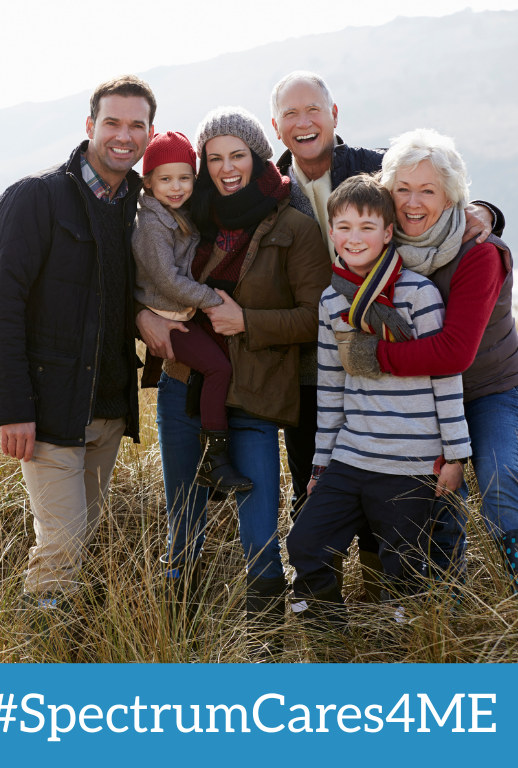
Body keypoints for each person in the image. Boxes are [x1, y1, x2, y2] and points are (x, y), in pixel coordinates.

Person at [270, 69, 502, 599]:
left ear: (334, 116)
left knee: (405, 534)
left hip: (403, 383)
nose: (304, 122)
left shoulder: (373, 171)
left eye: (314, 110)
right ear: (278, 126)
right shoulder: (273, 190)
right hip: (317, 353)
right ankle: (326, 621)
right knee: (318, 495)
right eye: (290, 114)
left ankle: (395, 606)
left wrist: (485, 211)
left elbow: (436, 185)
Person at [137, 106, 331, 657]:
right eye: (214, 158)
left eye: (237, 156)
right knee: (184, 518)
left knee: (260, 531)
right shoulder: (190, 214)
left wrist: (248, 322)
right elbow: (147, 271)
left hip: (256, 394)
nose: (226, 168)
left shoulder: (292, 225)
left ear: (258, 156)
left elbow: (316, 316)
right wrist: (140, 315)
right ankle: (180, 640)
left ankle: (265, 648)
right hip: (183, 385)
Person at [0, 75, 155, 616]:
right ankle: (36, 658)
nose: (124, 135)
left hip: (107, 415)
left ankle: (62, 647)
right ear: (91, 126)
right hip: (49, 414)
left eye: (136, 125)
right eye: (113, 123)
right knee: (61, 550)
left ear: (149, 132)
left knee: (78, 546)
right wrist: (14, 410)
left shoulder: (135, 208)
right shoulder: (36, 198)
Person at [286, 174, 471, 628]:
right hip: (351, 456)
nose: (355, 238)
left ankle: (401, 643)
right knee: (305, 542)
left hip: (408, 461)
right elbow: (331, 387)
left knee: (403, 566)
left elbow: (445, 374)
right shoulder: (332, 301)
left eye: (367, 227)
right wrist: (320, 464)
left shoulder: (418, 293)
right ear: (331, 233)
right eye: (344, 227)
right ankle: (328, 632)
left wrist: (456, 454)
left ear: (388, 233)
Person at [340, 128, 518, 590]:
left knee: (500, 482)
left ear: (452, 197)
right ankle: (448, 602)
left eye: (428, 190)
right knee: (436, 501)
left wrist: (373, 355)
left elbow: (456, 352)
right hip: (422, 394)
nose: (413, 203)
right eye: (402, 189)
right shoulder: (382, 248)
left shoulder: (481, 252)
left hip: (488, 390)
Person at [132, 130, 252, 493]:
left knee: (218, 366)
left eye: (184, 177)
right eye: (165, 179)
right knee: (218, 367)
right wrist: (213, 299)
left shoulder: (178, 213)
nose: (176, 187)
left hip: (180, 312)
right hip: (166, 315)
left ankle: (212, 459)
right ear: (148, 181)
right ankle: (215, 461)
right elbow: (168, 281)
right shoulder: (151, 223)